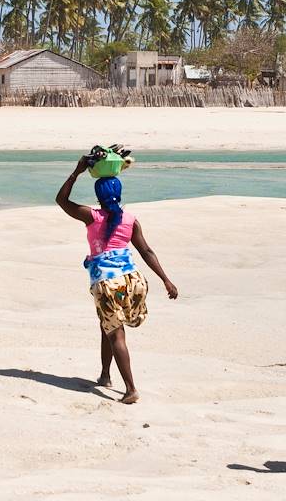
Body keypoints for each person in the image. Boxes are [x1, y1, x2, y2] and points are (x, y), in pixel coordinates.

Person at [56, 155, 177, 404]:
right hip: (133, 282)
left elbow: (61, 200)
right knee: (107, 325)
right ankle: (104, 375)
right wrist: (166, 279)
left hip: (107, 285)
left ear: (98, 196)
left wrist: (77, 171)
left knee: (116, 335)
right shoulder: (130, 220)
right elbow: (147, 251)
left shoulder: (92, 216)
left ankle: (131, 389)